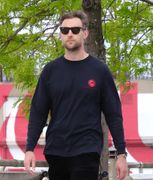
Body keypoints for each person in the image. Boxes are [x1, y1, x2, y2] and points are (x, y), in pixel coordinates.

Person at [24, 11, 128, 180]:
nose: (70, 34)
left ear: (85, 33)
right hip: (56, 151)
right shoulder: (50, 71)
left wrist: (121, 154)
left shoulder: (99, 70)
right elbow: (38, 112)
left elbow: (114, 114)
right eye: (65, 30)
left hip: (87, 150)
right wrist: (29, 148)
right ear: (60, 35)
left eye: (75, 29)